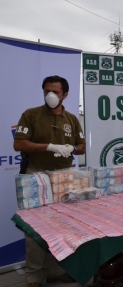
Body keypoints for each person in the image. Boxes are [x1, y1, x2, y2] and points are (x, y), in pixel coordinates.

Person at [13, 75, 86, 287]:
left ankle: (56, 270)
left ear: (65, 94)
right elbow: (19, 144)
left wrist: (71, 148)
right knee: (34, 225)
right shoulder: (31, 115)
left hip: (63, 174)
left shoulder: (72, 119)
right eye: (47, 91)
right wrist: (49, 146)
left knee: (61, 224)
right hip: (35, 173)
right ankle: (34, 276)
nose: (50, 95)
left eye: (55, 91)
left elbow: (82, 146)